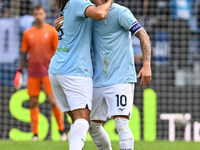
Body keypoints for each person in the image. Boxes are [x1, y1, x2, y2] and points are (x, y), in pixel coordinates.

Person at [55, 0, 151, 149]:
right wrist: (63, 25)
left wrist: (146, 65)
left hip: (121, 78)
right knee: (92, 125)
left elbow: (143, 36)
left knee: (121, 123)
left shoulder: (120, 12)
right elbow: (74, 28)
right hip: (99, 79)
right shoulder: (92, 15)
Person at [48, 0, 113, 149]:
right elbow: (100, 13)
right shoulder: (79, 2)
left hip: (57, 69)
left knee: (79, 122)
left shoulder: (68, 6)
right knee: (83, 120)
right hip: (75, 71)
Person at [14, 5, 67, 141]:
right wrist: (19, 70)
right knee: (33, 102)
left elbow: (57, 52)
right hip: (33, 73)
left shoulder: (51, 31)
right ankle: (35, 134)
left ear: (44, 14)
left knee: (53, 102)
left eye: (41, 13)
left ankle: (61, 131)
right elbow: (23, 54)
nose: (38, 16)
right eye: (36, 14)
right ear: (33, 15)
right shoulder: (28, 33)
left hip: (48, 73)